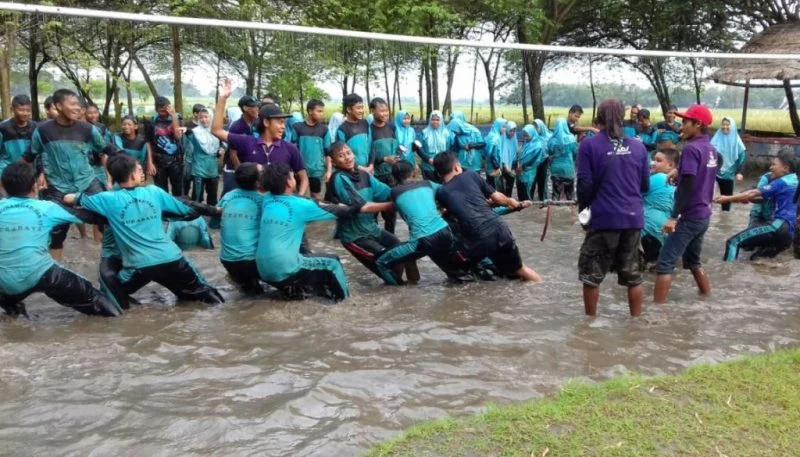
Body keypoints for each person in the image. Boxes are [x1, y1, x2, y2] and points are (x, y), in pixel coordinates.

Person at [67, 154, 224, 306]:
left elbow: (69, 199)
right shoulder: (154, 191)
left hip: (141, 266)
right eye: (139, 170)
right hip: (173, 258)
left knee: (112, 293)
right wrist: (215, 211)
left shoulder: (106, 199)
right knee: (204, 293)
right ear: (131, 175)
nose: (142, 173)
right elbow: (185, 209)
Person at [0, 162, 121, 318]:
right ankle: (119, 324)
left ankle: (14, 312)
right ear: (34, 186)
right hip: (42, 273)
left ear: (3, 186)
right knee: (95, 299)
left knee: (8, 295)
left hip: (4, 282)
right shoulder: (46, 208)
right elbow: (90, 217)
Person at [257, 162, 389, 301]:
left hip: (263, 270)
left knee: (310, 265)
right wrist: (391, 205)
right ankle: (346, 303)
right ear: (289, 183)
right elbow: (350, 210)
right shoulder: (301, 205)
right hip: (284, 266)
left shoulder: (267, 199)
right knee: (333, 262)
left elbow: (307, 200)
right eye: (292, 176)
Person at [576, 98, 651, 317]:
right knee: (633, 276)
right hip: (633, 218)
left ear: (598, 117)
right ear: (623, 118)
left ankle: (589, 325)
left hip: (603, 217)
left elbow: (585, 185)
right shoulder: (638, 146)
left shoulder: (588, 145)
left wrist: (584, 211)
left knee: (591, 275)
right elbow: (644, 185)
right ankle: (635, 324)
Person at [22, 88, 116, 260]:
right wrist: (19, 178)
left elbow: (106, 147)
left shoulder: (87, 129)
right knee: (56, 233)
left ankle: (109, 264)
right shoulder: (43, 131)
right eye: (72, 104)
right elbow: (29, 156)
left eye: (78, 105)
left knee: (109, 215)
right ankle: (54, 276)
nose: (77, 108)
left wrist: (127, 160)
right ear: (58, 106)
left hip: (87, 182)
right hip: (57, 187)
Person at [433, 150, 542, 282]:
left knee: (457, 269)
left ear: (439, 174)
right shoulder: (471, 175)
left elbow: (455, 212)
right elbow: (497, 198)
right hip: (500, 229)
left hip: (478, 237)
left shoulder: (441, 192)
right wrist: (512, 202)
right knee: (520, 269)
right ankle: (539, 287)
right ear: (456, 167)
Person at [327, 142, 417, 283]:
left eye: (348, 153)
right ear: (333, 162)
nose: (347, 158)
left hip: (372, 229)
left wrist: (408, 193)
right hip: (354, 237)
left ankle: (409, 287)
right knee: (386, 264)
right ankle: (398, 289)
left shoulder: (364, 175)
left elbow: (386, 192)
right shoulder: (338, 178)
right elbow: (362, 207)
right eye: (341, 156)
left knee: (401, 249)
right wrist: (392, 204)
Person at [653, 104, 717, 304]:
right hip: (704, 214)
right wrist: (679, 170)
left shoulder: (691, 148)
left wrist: (673, 216)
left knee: (664, 263)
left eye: (686, 122)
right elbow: (704, 172)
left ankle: (656, 312)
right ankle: (707, 298)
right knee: (693, 262)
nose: (682, 125)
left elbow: (688, 185)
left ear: (697, 124)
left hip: (689, 216)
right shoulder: (711, 148)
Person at [211, 78, 309, 195]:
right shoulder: (247, 143)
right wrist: (223, 98)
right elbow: (216, 130)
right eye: (280, 122)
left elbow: (304, 178)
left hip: (278, 208)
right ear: (266, 123)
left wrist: (299, 199)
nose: (283, 126)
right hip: (253, 207)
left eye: (284, 122)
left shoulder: (290, 149)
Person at [374, 161, 465, 284]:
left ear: (394, 177)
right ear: (414, 172)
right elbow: (447, 192)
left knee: (381, 262)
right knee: (453, 270)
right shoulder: (428, 184)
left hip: (423, 240)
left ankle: (399, 292)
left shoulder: (394, 192)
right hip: (445, 232)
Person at [716, 149, 797, 261]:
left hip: (778, 225)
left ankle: (725, 272)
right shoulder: (795, 180)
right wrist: (742, 198)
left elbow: (753, 193)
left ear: (786, 168)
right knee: (756, 260)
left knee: (733, 242)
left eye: (774, 164)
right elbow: (758, 197)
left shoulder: (781, 182)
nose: (770, 167)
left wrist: (727, 198)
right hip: (788, 235)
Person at [217, 163, 265, 295]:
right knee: (258, 298)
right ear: (258, 182)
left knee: (246, 292)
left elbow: (218, 218)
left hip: (227, 259)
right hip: (250, 259)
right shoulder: (263, 200)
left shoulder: (228, 196)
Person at [642, 148, 678, 265]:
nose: (653, 163)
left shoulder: (659, 178)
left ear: (670, 165)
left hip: (647, 230)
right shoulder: (675, 181)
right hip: (662, 232)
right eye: (653, 159)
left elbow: (630, 192)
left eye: (658, 160)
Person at [369, 98, 400, 233]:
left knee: (391, 210)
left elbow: (398, 147)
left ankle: (390, 238)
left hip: (391, 176)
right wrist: (384, 159)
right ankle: (375, 238)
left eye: (386, 111)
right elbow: (368, 156)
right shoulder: (369, 131)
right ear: (372, 111)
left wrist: (397, 157)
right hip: (374, 177)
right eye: (381, 111)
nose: (385, 114)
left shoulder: (392, 127)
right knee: (373, 212)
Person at [292, 99, 332, 199]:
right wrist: (292, 169)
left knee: (316, 196)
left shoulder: (324, 130)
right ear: (310, 111)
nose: (321, 114)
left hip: (317, 171)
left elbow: (328, 152)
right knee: (300, 196)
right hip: (300, 170)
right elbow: (292, 150)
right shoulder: (297, 128)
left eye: (322, 111)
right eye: (319, 111)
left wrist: (329, 170)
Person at [145, 96, 184, 196]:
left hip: (175, 160)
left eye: (166, 111)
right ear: (156, 110)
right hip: (158, 161)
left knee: (178, 190)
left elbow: (178, 137)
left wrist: (174, 116)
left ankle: (177, 210)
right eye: (161, 111)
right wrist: (150, 162)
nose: (164, 114)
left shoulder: (177, 119)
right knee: (161, 191)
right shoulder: (151, 123)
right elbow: (148, 142)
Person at [222, 95, 260, 196]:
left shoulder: (257, 124)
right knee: (231, 195)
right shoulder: (236, 127)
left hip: (250, 168)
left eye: (257, 106)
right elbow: (233, 154)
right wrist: (241, 173)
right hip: (234, 169)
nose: (257, 109)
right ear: (245, 108)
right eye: (254, 106)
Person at [0, 94, 36, 196]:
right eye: (21, 110)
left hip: (28, 174)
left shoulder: (35, 127)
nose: (25, 113)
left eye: (27, 110)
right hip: (6, 172)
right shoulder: (3, 128)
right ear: (13, 109)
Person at [185, 108, 223, 205]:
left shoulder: (216, 132)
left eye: (206, 117)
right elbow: (188, 149)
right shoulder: (194, 132)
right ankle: (196, 217)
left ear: (211, 117)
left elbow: (221, 145)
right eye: (201, 117)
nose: (203, 119)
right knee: (197, 197)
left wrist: (220, 150)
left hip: (212, 169)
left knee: (213, 197)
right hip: (199, 169)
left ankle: (211, 216)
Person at [712, 117, 747, 212]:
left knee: (727, 200)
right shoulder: (716, 139)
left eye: (727, 124)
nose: (724, 126)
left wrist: (740, 172)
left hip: (729, 173)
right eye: (723, 124)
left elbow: (742, 158)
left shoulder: (737, 142)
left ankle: (724, 218)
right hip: (714, 172)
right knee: (708, 197)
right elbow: (709, 154)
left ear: (733, 126)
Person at [337, 93, 372, 173]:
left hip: (368, 169)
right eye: (358, 108)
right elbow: (342, 155)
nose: (361, 111)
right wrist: (360, 168)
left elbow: (371, 146)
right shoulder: (342, 129)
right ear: (349, 109)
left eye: (362, 108)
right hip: (352, 171)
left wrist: (371, 165)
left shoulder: (365, 123)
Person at [548, 118, 578, 201]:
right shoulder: (571, 139)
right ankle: (569, 210)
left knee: (556, 192)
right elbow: (575, 153)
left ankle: (555, 209)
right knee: (570, 194)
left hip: (556, 169)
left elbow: (550, 153)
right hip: (568, 169)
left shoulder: (551, 140)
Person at [515, 124, 547, 201]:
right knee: (521, 193)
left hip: (529, 174)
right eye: (524, 134)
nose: (525, 136)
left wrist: (522, 166)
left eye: (527, 134)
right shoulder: (526, 143)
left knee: (527, 194)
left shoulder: (538, 146)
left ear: (532, 132)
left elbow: (535, 161)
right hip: (520, 172)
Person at [84, 103, 113, 187]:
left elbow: (105, 153)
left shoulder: (101, 127)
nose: (93, 115)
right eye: (90, 113)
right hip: (85, 167)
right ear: (84, 113)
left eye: (95, 112)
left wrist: (109, 179)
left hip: (99, 166)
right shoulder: (81, 128)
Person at [419, 110, 453, 182]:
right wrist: (428, 159)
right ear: (430, 120)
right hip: (427, 167)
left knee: (441, 188)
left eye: (437, 120)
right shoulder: (424, 133)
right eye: (433, 119)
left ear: (441, 121)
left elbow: (448, 150)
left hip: (442, 166)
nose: (435, 122)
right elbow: (419, 150)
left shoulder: (446, 134)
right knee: (429, 188)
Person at [448, 111, 485, 175]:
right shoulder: (457, 135)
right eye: (453, 131)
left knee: (474, 181)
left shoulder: (474, 131)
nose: (455, 133)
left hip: (474, 161)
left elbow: (482, 144)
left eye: (455, 131)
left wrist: (470, 146)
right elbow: (455, 149)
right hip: (462, 162)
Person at [484, 118, 506, 190]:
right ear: (498, 126)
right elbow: (492, 154)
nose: (505, 129)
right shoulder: (495, 138)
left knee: (491, 187)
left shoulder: (491, 135)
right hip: (494, 168)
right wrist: (497, 167)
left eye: (505, 127)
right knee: (496, 190)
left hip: (489, 166)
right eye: (503, 127)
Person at [532, 119, 551, 201]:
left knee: (543, 183)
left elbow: (551, 151)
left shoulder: (548, 138)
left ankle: (543, 201)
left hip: (545, 162)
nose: (535, 129)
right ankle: (530, 202)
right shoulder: (532, 137)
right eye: (534, 127)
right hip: (533, 163)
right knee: (532, 182)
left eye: (537, 127)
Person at [499, 121, 519, 197]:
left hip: (512, 166)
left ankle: (508, 200)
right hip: (503, 166)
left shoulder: (514, 139)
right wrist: (504, 164)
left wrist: (515, 166)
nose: (512, 133)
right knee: (502, 186)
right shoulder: (502, 139)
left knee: (510, 185)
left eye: (514, 131)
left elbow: (516, 153)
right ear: (507, 130)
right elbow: (501, 153)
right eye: (511, 131)